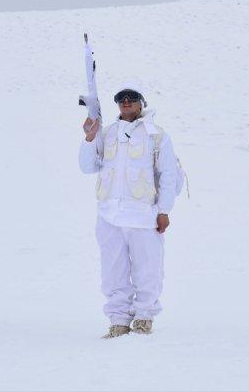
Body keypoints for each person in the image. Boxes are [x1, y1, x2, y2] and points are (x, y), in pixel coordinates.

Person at [79, 80, 180, 338]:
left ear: (141, 102)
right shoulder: (107, 132)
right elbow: (87, 166)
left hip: (143, 215)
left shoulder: (157, 135)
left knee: (148, 269)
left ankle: (144, 317)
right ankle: (118, 320)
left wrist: (164, 210)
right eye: (121, 98)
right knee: (113, 270)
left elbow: (168, 175)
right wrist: (90, 138)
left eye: (132, 97)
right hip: (109, 215)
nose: (126, 102)